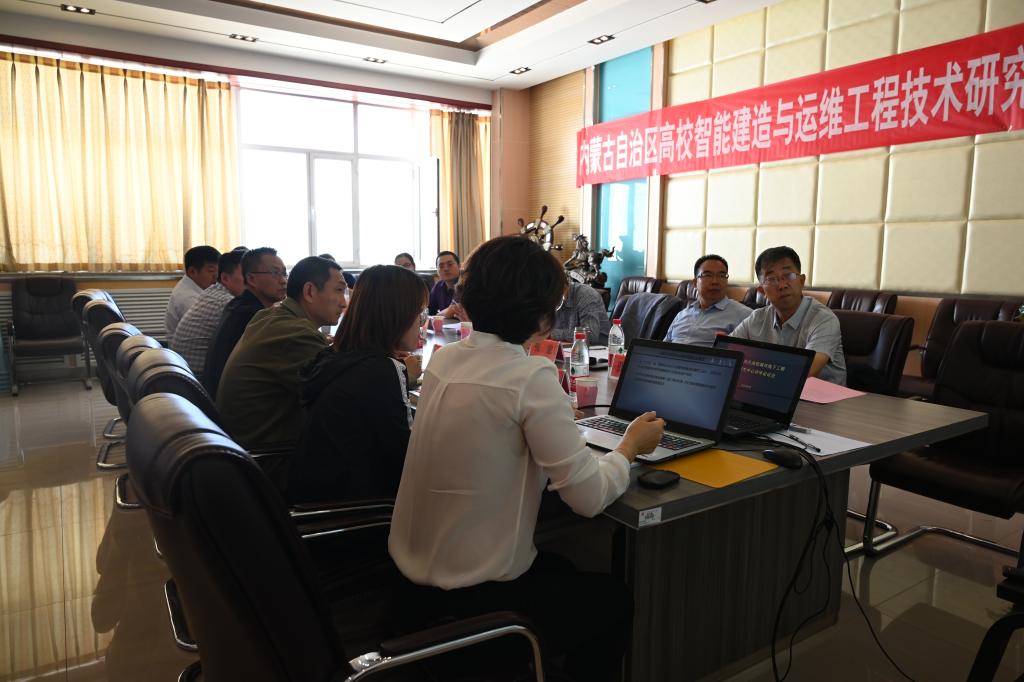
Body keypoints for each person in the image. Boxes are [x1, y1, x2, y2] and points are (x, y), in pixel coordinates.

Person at [389, 235, 664, 682]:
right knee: (613, 599)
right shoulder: (529, 376)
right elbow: (589, 498)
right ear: (542, 314)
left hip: (410, 584)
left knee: (563, 566)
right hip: (477, 597)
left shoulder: (446, 360)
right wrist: (629, 446)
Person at [288, 265, 427, 504]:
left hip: (313, 495)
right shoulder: (381, 370)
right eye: (419, 314)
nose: (421, 323)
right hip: (353, 510)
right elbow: (407, 459)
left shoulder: (334, 355)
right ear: (397, 314)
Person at [217, 256, 347, 448]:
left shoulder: (271, 316)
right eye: (339, 290)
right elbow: (345, 392)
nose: (344, 303)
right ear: (309, 292)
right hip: (272, 456)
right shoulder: (296, 334)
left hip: (245, 445)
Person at [731, 246, 847, 385]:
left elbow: (807, 371)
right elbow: (725, 353)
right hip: (767, 392)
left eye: (789, 276)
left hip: (822, 397)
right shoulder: (756, 318)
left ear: (802, 281)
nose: (782, 285)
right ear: (762, 291)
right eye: (771, 279)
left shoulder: (824, 319)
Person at [203, 247, 286, 398]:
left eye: (284, 273)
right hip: (240, 405)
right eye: (275, 273)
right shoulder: (253, 316)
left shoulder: (237, 304)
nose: (283, 281)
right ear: (251, 279)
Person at [170, 248, 247, 376]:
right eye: (211, 271)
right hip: (196, 377)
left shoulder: (210, 292)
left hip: (184, 369)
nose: (215, 275)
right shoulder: (226, 302)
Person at [663, 254, 752, 346]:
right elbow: (664, 347)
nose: (715, 282)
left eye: (722, 275)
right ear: (695, 283)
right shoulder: (682, 315)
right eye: (708, 275)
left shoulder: (745, 315)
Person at [164, 245, 220, 338]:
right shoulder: (188, 298)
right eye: (211, 271)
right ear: (192, 271)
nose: (216, 276)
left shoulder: (192, 285)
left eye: (219, 270)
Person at [550, 281, 611, 346]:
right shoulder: (551, 299)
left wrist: (550, 334)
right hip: (568, 347)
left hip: (597, 348)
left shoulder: (586, 294)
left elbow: (590, 335)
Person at [427, 250, 465, 319]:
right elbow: (429, 310)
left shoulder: (466, 283)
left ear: (459, 266)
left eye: (450, 264)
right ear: (437, 270)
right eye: (441, 266)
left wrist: (439, 315)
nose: (446, 269)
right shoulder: (438, 286)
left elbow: (453, 309)